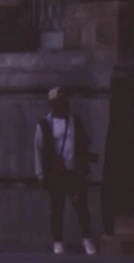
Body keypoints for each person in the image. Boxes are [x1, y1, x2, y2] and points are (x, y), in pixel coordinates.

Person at [35, 88, 98, 254]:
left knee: (81, 206)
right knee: (57, 209)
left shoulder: (74, 120)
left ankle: (87, 239)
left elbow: (83, 141)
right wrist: (40, 174)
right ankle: (58, 241)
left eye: (65, 100)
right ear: (52, 104)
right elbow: (38, 149)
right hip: (55, 173)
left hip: (73, 172)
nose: (64, 103)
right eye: (60, 100)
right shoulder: (44, 124)